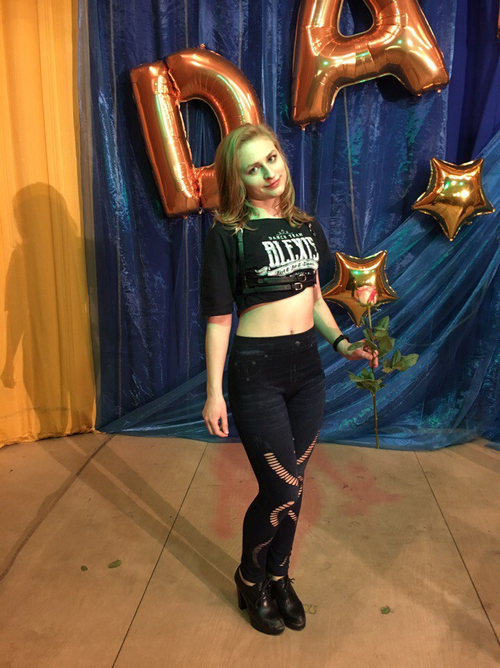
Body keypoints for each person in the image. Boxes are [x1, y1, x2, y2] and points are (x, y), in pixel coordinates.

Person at [200, 122, 378, 635]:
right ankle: (250, 577)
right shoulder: (228, 235)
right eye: (252, 168)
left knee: (294, 487)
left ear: (282, 156)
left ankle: (279, 577)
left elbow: (316, 300)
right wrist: (214, 393)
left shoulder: (306, 226)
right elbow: (218, 319)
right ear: (238, 180)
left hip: (308, 373)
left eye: (271, 159)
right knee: (280, 488)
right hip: (258, 373)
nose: (267, 173)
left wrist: (342, 344)